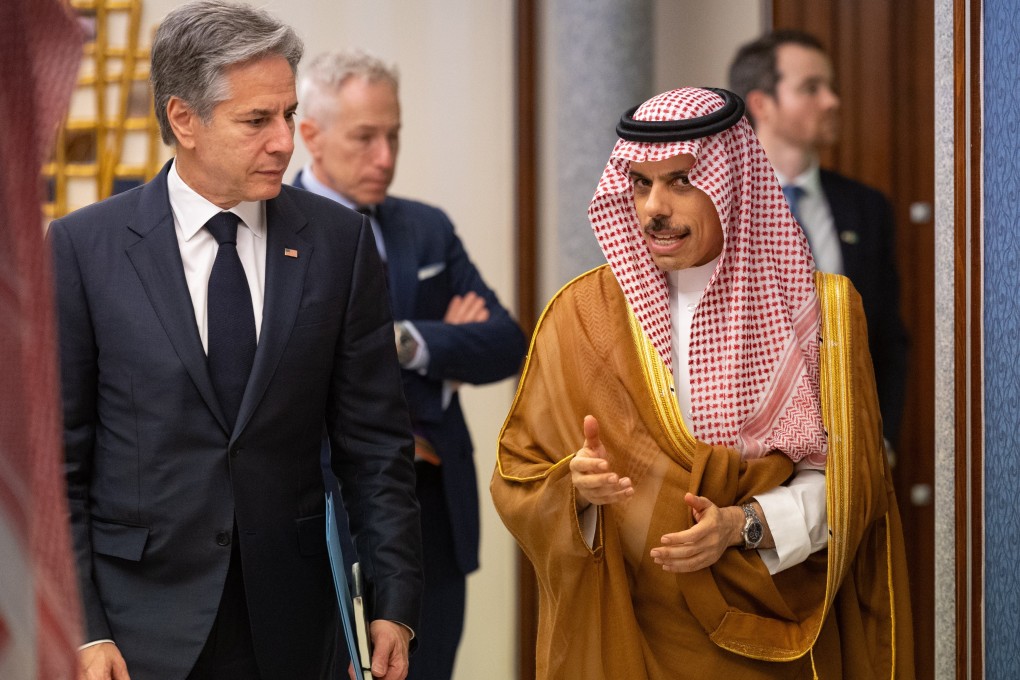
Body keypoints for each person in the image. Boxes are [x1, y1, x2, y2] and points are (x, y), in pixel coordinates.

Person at [49, 3, 422, 679]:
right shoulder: (83, 250)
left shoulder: (338, 246)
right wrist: (81, 629)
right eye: (258, 120)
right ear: (184, 120)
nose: (285, 140)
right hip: (135, 635)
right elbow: (58, 466)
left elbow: (376, 447)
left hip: (293, 626)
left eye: (286, 114)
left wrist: (394, 603)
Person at [491, 87, 913, 679]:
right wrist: (575, 490)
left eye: (680, 182)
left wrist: (744, 526)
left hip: (771, 635)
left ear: (731, 184)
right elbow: (519, 473)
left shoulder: (823, 313)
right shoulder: (581, 315)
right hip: (630, 638)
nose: (653, 208)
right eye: (640, 183)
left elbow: (852, 486)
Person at [294, 49, 527, 680]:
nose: (386, 157)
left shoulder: (426, 229)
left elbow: (508, 343)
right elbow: (302, 373)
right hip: (329, 509)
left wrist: (404, 340)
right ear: (310, 134)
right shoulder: (274, 229)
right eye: (365, 137)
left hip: (434, 510)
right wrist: (441, 349)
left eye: (393, 135)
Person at [728, 29, 909, 448]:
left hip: (848, 448)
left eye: (830, 87)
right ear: (761, 104)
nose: (832, 101)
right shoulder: (719, 208)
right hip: (745, 452)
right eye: (811, 88)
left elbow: (885, 337)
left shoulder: (867, 207)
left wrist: (883, 440)